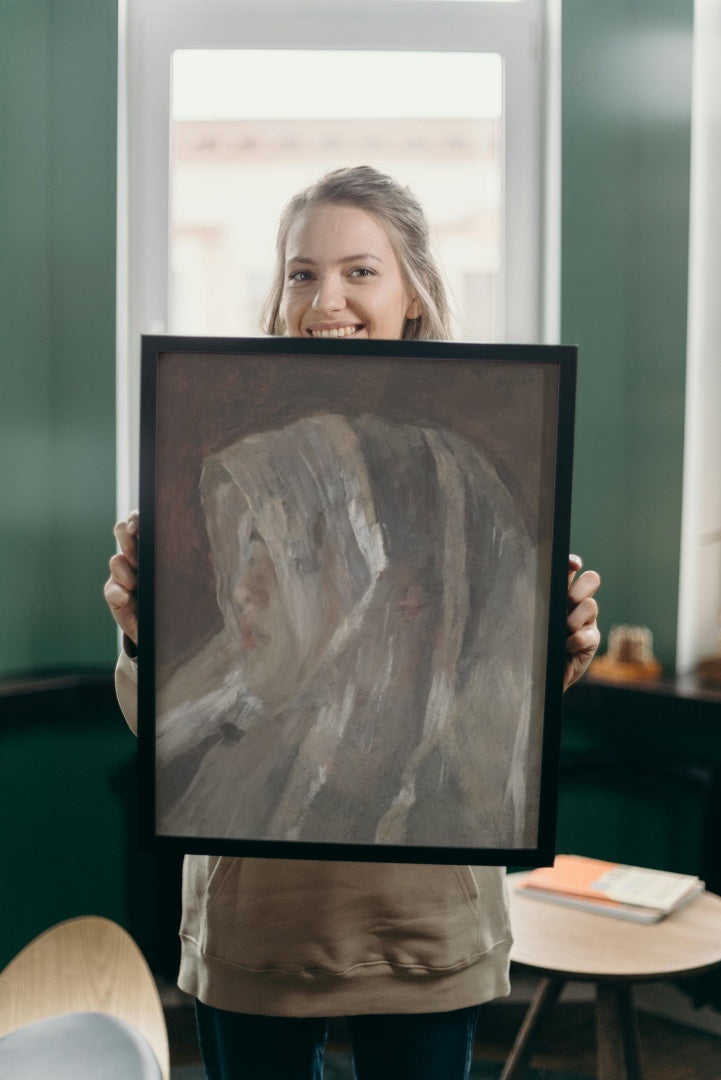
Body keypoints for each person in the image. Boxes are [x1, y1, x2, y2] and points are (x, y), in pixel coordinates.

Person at [105, 166, 601, 1080]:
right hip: (257, 926)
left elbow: (491, 706)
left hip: (421, 924)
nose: (324, 298)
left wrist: (556, 652)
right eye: (301, 272)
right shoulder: (250, 463)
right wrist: (144, 633)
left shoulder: (464, 488)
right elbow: (170, 733)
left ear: (413, 292)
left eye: (359, 271)